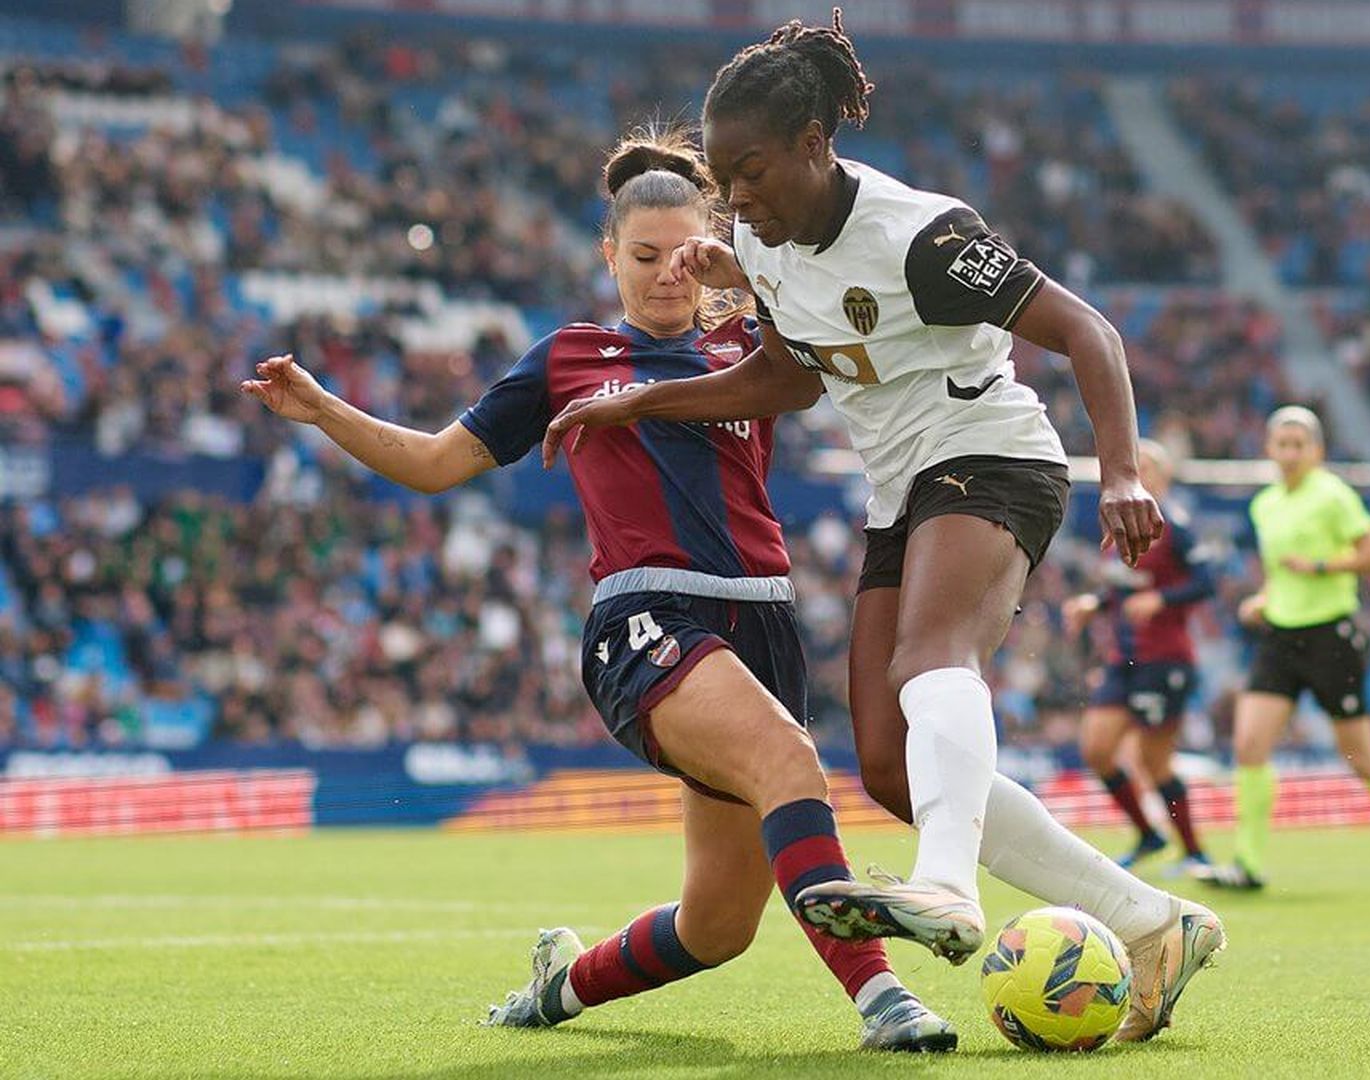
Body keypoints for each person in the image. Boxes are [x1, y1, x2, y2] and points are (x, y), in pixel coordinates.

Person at [542, 11, 1222, 1042]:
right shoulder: (761, 249)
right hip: (901, 491)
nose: (737, 199)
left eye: (753, 170)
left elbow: (1086, 329)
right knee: (891, 766)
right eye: (724, 177)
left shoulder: (924, 235)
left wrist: (1121, 470)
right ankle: (1152, 921)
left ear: (816, 144)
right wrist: (634, 403)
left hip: (993, 453)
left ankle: (948, 887)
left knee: (931, 660)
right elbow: (786, 379)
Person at [240, 129, 958, 1050]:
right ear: (608, 254)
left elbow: (835, 338)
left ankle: (558, 990)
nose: (668, 276)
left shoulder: (756, 340)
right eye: (645, 256)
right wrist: (321, 410)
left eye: (687, 256)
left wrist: (746, 278)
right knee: (788, 761)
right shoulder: (567, 357)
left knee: (717, 927)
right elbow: (431, 463)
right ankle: (884, 1003)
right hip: (648, 621)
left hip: (766, 623)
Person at [1205, 406, 1370, 892]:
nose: (1290, 453)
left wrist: (1317, 566)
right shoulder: (1264, 504)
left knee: (1361, 757)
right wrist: (1264, 599)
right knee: (1249, 744)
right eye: (1282, 444)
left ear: (1317, 451)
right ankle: (1248, 865)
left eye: (1299, 444)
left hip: (1330, 636)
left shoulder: (1334, 496)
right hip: (1279, 637)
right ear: (1268, 449)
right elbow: (1278, 572)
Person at [1063, 440, 1215, 875]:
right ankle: (1148, 835)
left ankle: (1193, 853)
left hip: (1165, 660)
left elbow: (1205, 582)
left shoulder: (1178, 528)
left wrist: (1161, 600)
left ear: (1163, 479)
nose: (1137, 474)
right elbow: (1122, 592)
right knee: (1096, 748)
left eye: (1146, 467)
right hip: (1124, 659)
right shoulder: (1120, 532)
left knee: (1154, 761)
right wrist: (1094, 604)